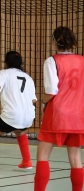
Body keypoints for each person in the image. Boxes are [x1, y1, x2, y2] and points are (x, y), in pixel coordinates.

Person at [34, 26, 84, 191]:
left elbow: (51, 91)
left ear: (55, 42)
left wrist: (42, 102)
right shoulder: (82, 60)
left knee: (43, 156)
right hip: (78, 115)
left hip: (57, 114)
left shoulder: (52, 60)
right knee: (75, 158)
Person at [0, 51, 37, 174]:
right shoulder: (28, 77)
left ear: (6, 62)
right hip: (29, 116)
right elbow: (33, 100)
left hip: (12, 114)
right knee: (20, 131)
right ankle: (27, 162)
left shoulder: (3, 73)